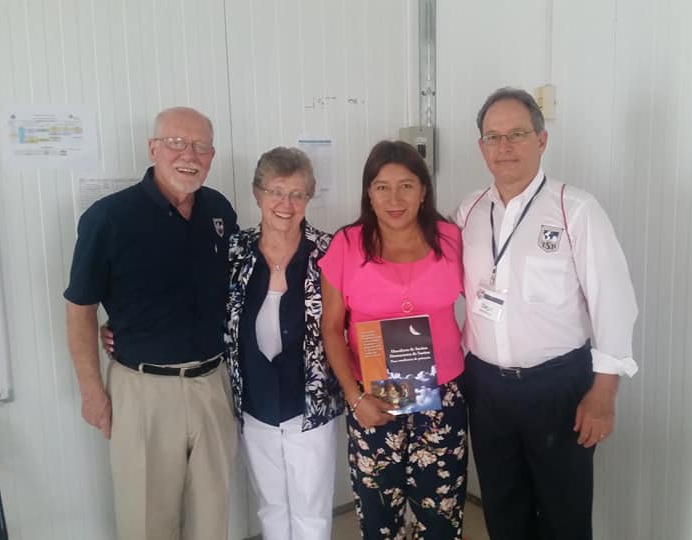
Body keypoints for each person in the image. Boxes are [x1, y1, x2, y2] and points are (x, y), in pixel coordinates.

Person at [454, 87, 639, 539]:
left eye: (516, 134)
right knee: (503, 511)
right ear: (481, 147)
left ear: (541, 140)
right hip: (486, 389)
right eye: (493, 137)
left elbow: (614, 301)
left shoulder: (575, 209)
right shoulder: (469, 211)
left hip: (557, 389)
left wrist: (604, 393)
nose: (504, 147)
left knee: (564, 517)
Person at [64, 106, 239, 540]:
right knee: (146, 522)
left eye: (200, 146)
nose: (189, 155)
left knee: (212, 518)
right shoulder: (108, 218)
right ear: (153, 149)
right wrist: (92, 392)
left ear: (212, 155)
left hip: (212, 385)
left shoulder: (218, 210)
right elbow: (80, 308)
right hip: (142, 392)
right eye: (176, 142)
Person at [319, 140, 468, 539]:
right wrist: (355, 399)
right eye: (382, 187)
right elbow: (331, 328)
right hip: (372, 398)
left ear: (423, 191)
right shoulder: (347, 244)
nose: (394, 198)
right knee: (379, 517)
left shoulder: (451, 239)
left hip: (442, 398)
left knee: (440, 516)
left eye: (406, 185)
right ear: (368, 193)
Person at [226, 147, 344, 540]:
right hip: (255, 401)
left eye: (296, 194)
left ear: (309, 198)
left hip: (309, 402)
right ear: (257, 194)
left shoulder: (328, 251)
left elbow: (356, 315)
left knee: (312, 509)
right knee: (270, 505)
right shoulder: (235, 252)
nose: (285, 204)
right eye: (275, 192)